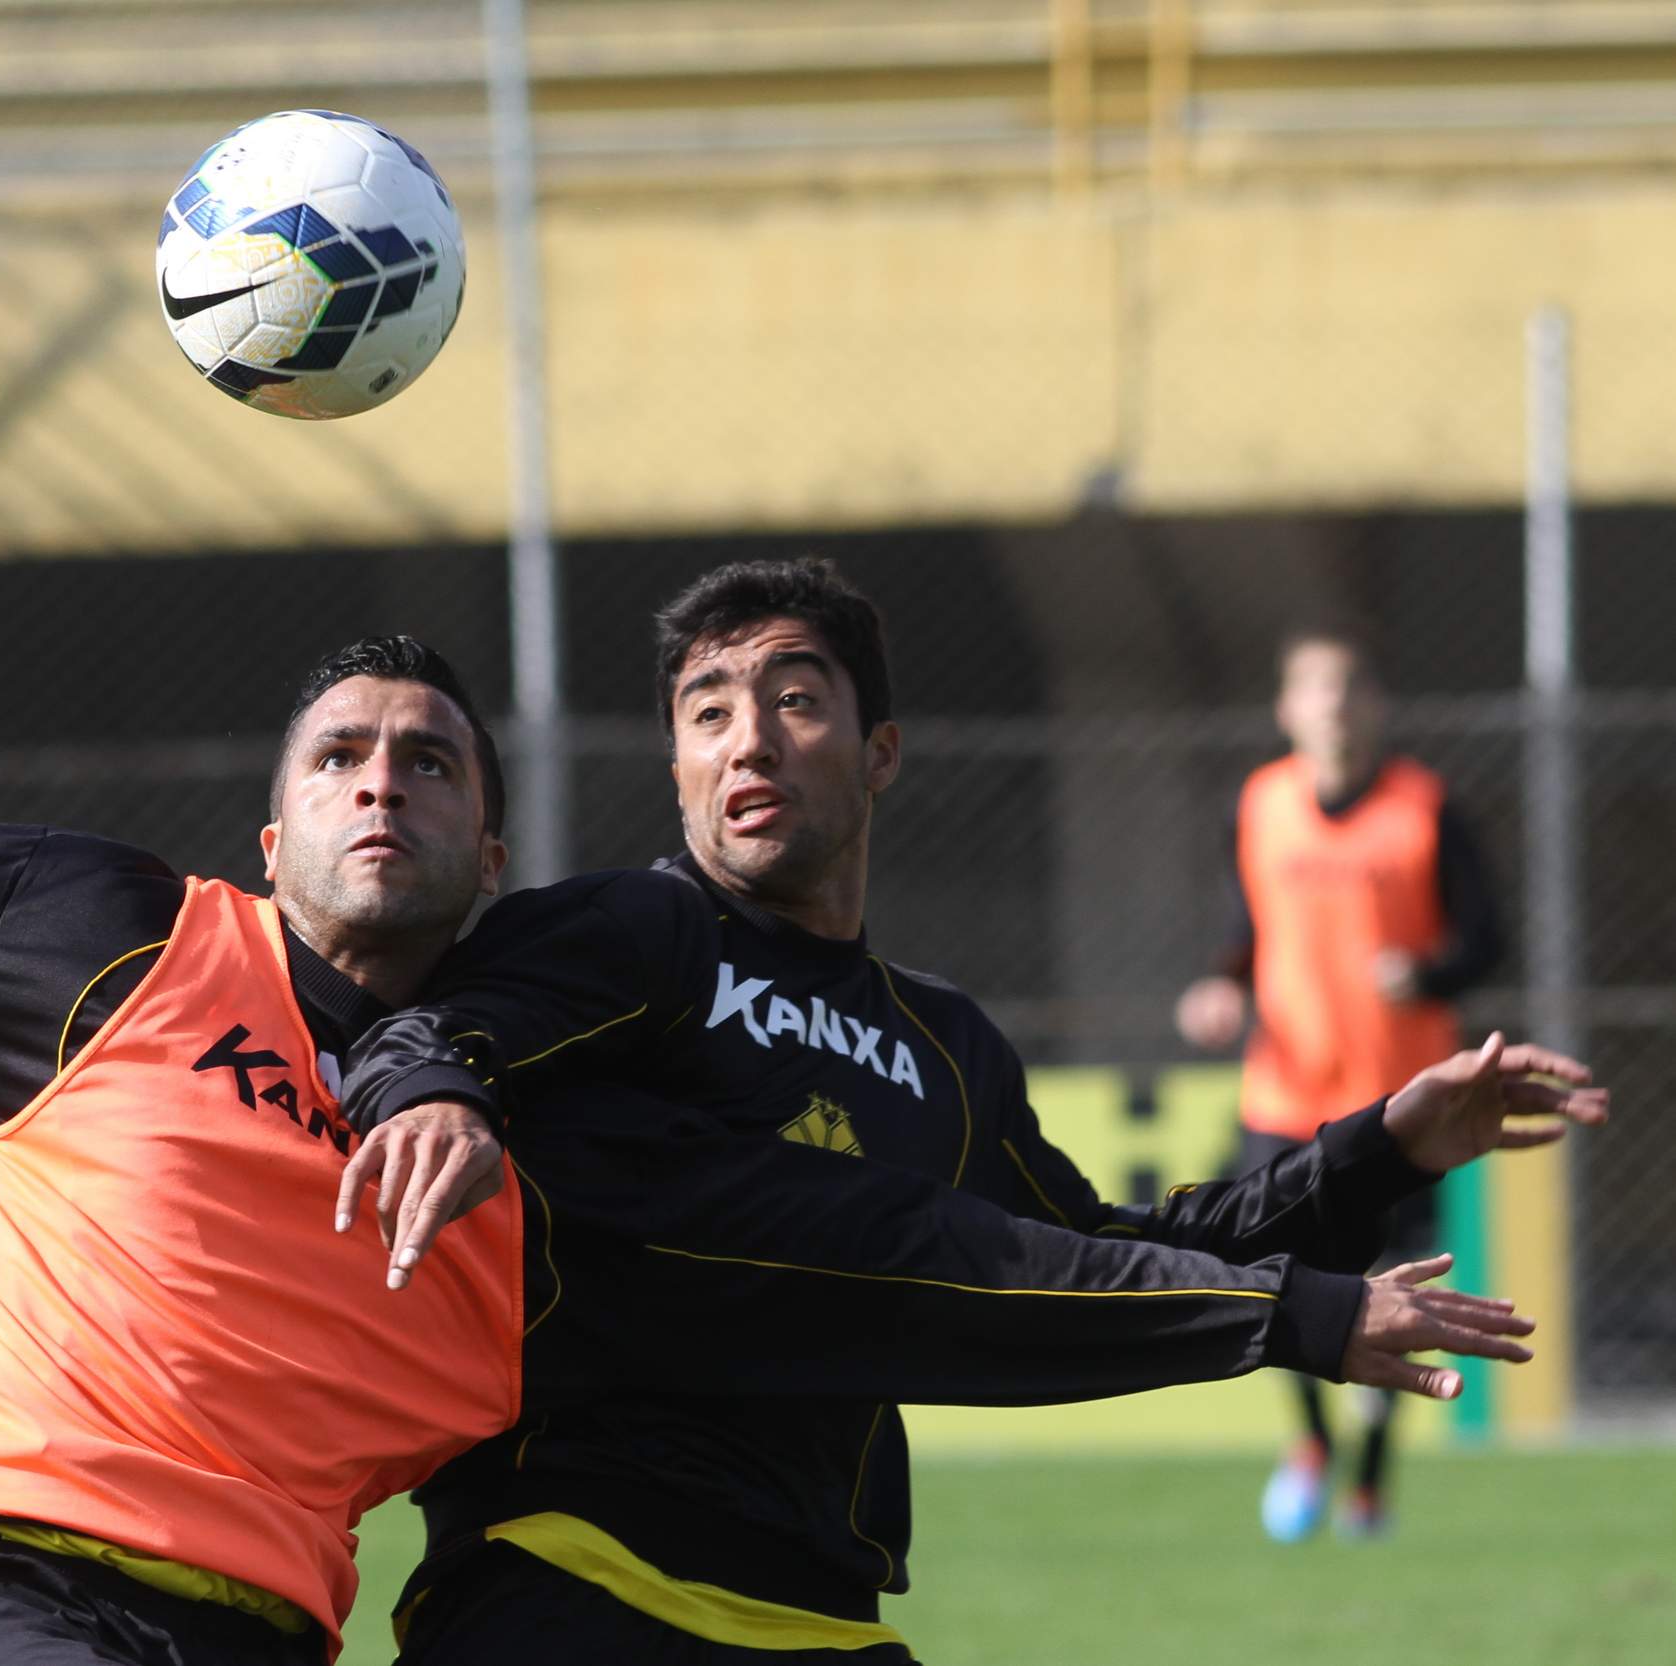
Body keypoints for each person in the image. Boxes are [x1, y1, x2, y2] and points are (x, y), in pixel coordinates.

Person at [0, 639, 1550, 1666]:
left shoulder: (564, 1143)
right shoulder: (107, 937)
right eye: (342, 750)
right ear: (269, 821)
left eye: (430, 759)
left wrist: (1316, 1238)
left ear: (497, 846)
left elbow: (903, 1259)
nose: (381, 780)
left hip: (275, 1638)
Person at [339, 566, 1599, 1666]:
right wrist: (437, 1091)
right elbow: (424, 1029)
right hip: (572, 1584)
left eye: (793, 699)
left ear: (879, 749)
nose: (748, 742)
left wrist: (1381, 1144)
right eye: (706, 712)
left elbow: (1099, 1247)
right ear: (675, 766)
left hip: (824, 1617)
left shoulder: (941, 1043)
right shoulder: (635, 933)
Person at [1175, 627, 1506, 1541]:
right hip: (1284, 1097)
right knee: (1270, 1278)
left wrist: (1429, 975)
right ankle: (1316, 1442)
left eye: (1350, 687)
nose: (1333, 705)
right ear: (1288, 708)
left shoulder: (1426, 809)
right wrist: (1222, 983)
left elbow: (1485, 940)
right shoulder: (1260, 803)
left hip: (1403, 1110)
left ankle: (1370, 1475)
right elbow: (1247, 926)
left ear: (1376, 706)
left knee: (1397, 1288)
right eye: (1315, 689)